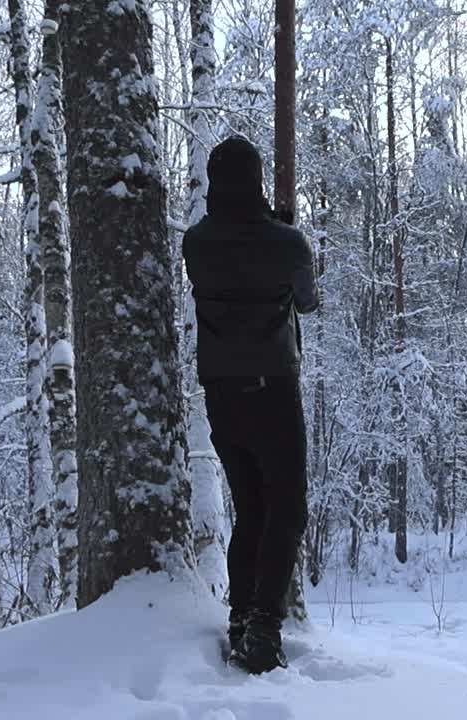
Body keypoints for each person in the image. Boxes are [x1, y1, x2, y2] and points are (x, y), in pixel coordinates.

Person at [182, 135, 318, 674]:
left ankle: (240, 616)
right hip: (273, 390)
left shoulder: (195, 243)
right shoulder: (288, 243)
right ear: (258, 179)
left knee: (251, 508)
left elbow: (229, 259)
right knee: (285, 509)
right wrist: (284, 227)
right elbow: (307, 300)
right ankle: (263, 624)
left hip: (221, 394)